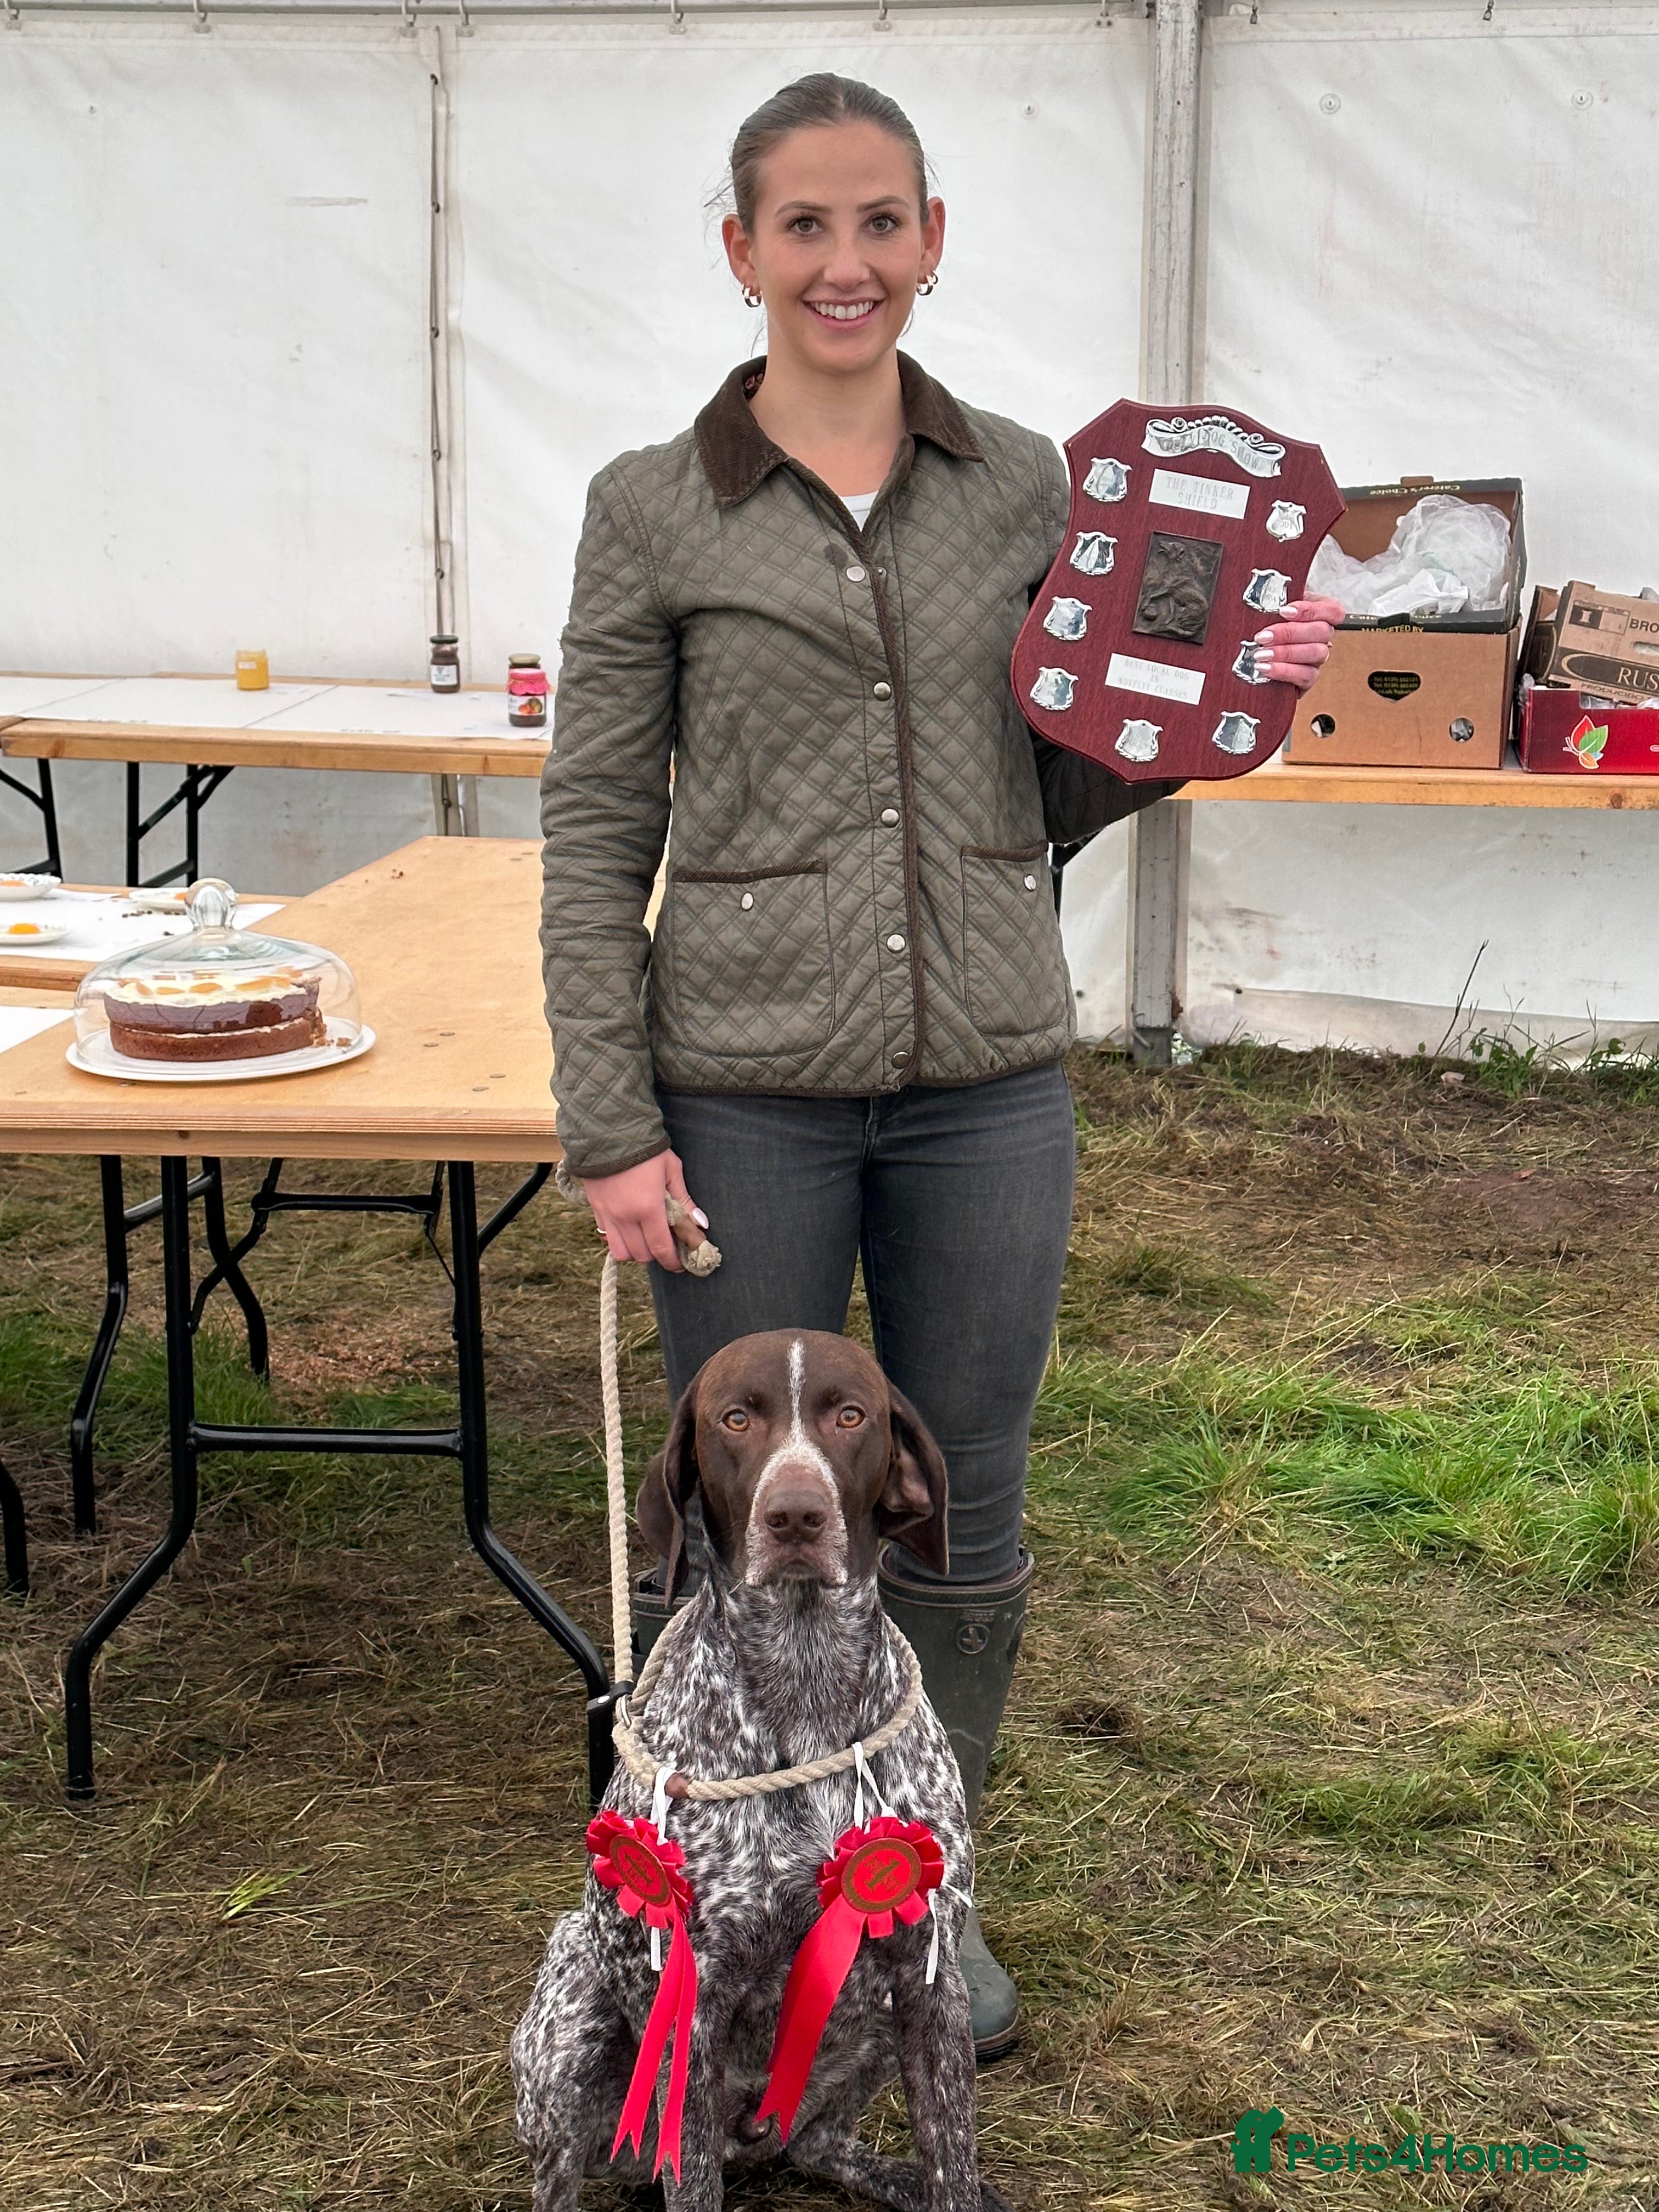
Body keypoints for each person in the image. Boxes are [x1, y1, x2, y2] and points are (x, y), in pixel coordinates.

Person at [539, 72, 1341, 2057]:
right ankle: (751, 1890)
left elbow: (1057, 778)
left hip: (986, 1077)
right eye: (805, 226)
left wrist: (1215, 702)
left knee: (955, 1484)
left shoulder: (1031, 491)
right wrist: (613, 1125)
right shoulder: (652, 506)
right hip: (740, 1087)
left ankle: (919, 1889)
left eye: (881, 221)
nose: (847, 262)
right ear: (742, 250)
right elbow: (593, 826)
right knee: (758, 1492)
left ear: (934, 239)